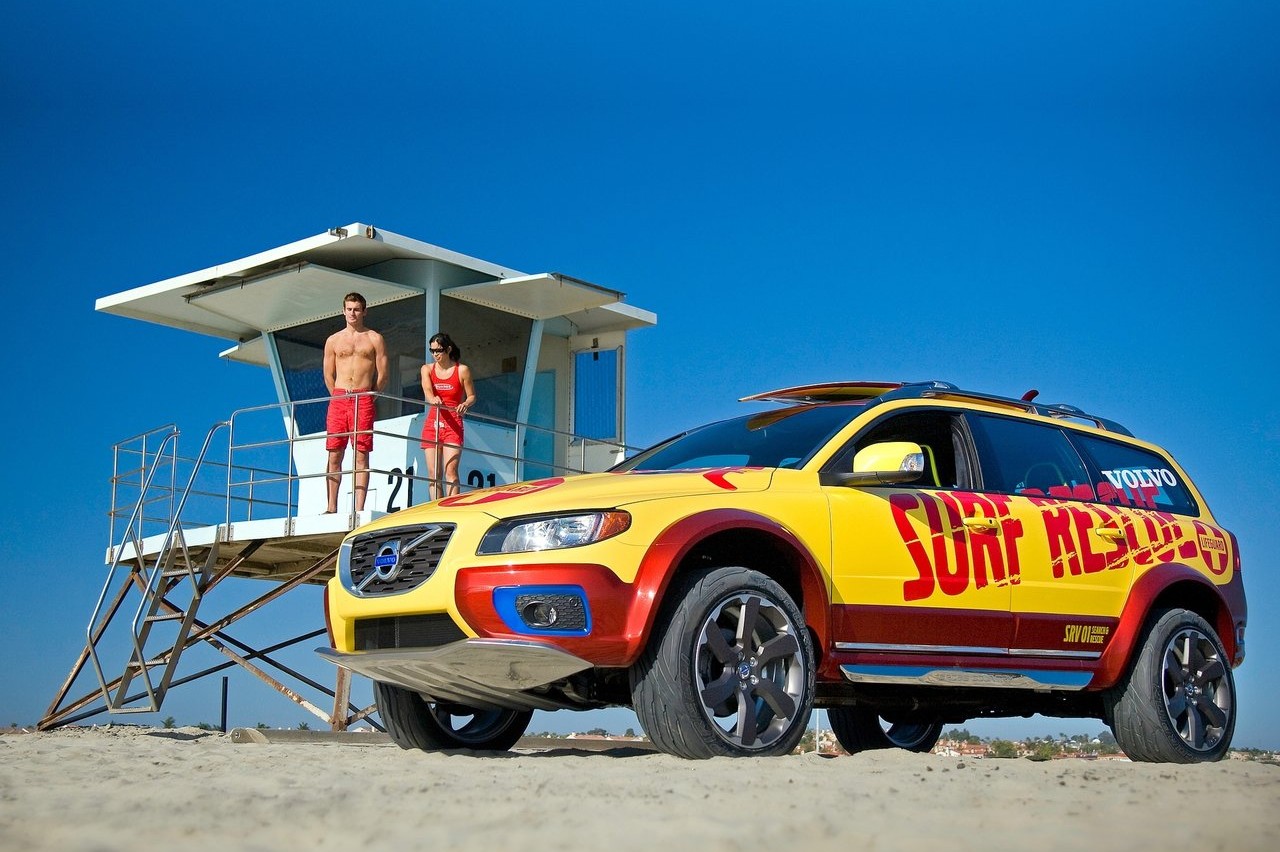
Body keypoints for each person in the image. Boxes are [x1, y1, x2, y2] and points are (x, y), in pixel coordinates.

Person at [323, 292, 388, 513]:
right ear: (343, 311)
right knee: (334, 453)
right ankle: (331, 506)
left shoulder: (374, 338)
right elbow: (328, 374)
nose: (353, 313)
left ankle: (359, 508)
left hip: (364, 396)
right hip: (340, 397)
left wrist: (370, 395)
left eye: (357, 309)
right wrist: (337, 395)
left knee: (361, 454)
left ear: (364, 311)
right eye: (349, 309)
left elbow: (383, 373)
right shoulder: (333, 340)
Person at [420, 332, 476, 499]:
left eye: (439, 350)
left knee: (451, 470)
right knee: (433, 473)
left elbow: (472, 396)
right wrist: (432, 399)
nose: (435, 354)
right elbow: (427, 391)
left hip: (453, 422)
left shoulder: (462, 370)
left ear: (448, 349)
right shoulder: (427, 369)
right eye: (432, 351)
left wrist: (465, 404)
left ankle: (451, 506)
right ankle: (436, 509)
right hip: (433, 422)